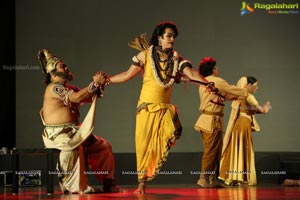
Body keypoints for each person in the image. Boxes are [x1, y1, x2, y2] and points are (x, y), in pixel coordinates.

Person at [107, 21, 207, 194]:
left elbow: (191, 74)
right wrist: (106, 80)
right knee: (143, 146)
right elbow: (126, 75)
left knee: (169, 132)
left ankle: (145, 181)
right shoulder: (145, 55)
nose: (172, 39)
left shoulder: (177, 59)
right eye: (168, 36)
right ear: (159, 38)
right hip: (145, 108)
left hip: (164, 109)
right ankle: (142, 185)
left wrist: (207, 84)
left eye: (174, 36)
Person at [38, 49, 123, 194]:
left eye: (65, 66)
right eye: (62, 67)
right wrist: (94, 83)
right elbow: (76, 98)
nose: (66, 68)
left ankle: (109, 184)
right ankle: (77, 187)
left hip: (74, 132)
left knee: (104, 147)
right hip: (59, 135)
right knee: (77, 148)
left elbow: (86, 96)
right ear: (52, 74)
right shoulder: (54, 88)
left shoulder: (67, 88)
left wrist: (100, 84)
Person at [194, 57, 256, 188]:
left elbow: (224, 95)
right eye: (216, 67)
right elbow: (230, 89)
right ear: (213, 69)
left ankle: (212, 178)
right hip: (210, 121)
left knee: (216, 151)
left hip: (212, 120)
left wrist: (239, 96)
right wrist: (246, 91)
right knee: (211, 150)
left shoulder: (207, 82)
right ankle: (202, 177)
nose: (218, 69)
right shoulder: (216, 81)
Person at [218, 76, 271, 186]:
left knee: (238, 149)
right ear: (248, 85)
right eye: (255, 86)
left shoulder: (239, 97)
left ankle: (236, 177)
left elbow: (251, 110)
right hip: (244, 124)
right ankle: (242, 178)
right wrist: (266, 108)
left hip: (239, 124)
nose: (257, 88)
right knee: (244, 149)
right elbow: (261, 110)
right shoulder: (248, 96)